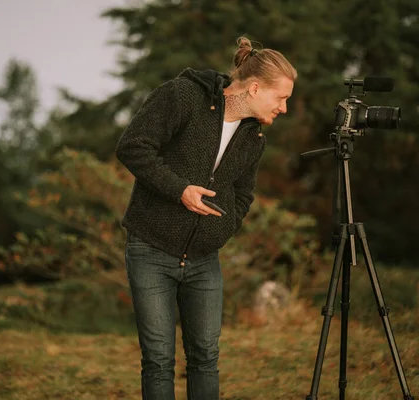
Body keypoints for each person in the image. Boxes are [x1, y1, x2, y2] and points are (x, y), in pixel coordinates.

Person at [115, 36, 297, 399]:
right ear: (256, 87)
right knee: (158, 359)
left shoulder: (253, 137)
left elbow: (243, 194)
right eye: (281, 98)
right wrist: (180, 189)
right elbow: (132, 146)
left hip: (203, 261)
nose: (284, 108)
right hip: (151, 250)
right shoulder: (183, 96)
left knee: (206, 357)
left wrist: (221, 230)